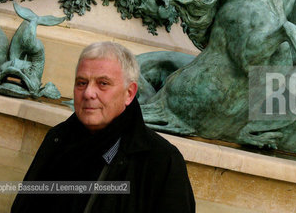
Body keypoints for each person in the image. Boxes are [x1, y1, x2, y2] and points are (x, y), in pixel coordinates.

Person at [11, 42, 195, 213]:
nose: (89, 93)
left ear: (129, 93)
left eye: (103, 84)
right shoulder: (57, 139)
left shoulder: (163, 160)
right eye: (82, 83)